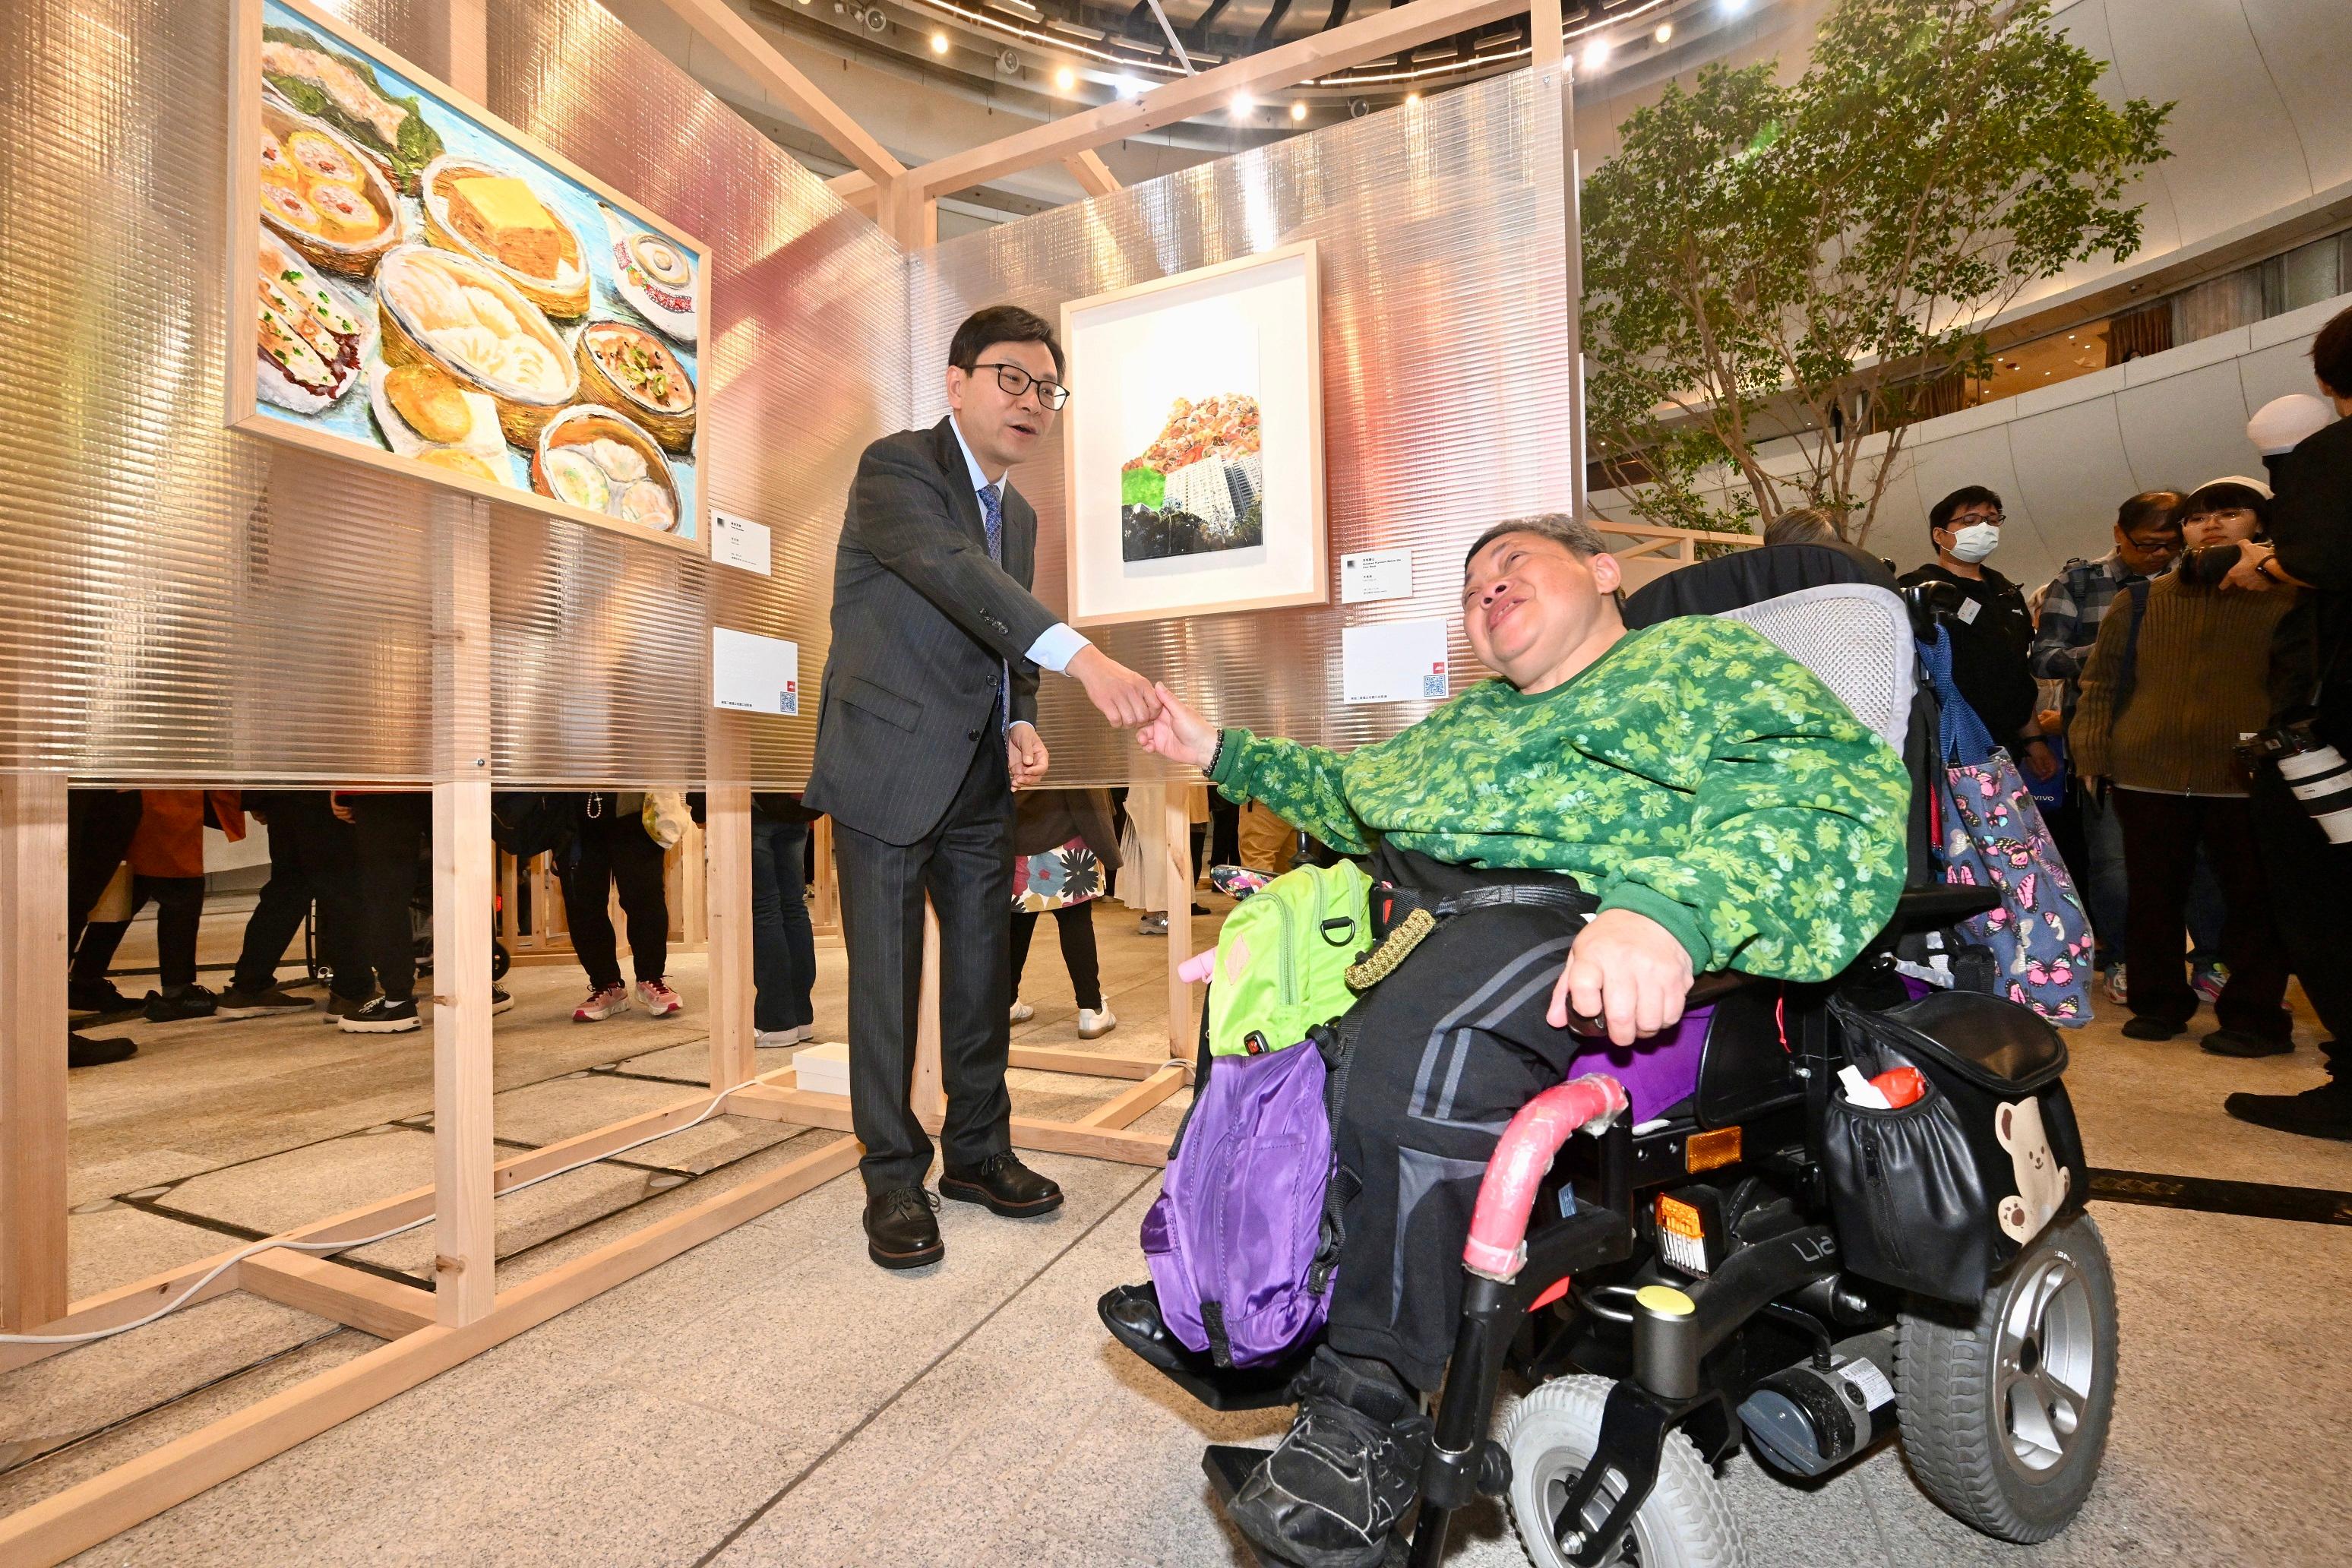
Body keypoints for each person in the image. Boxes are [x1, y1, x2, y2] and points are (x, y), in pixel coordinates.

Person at [1133, 513, 1910, 1568]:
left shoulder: (1696, 661)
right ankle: (1242, 1283)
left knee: (1427, 1044)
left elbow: (1817, 789)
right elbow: (1351, 795)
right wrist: (1211, 748)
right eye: (1469, 588)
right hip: (1425, 919)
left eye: (1513, 565)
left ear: (1602, 572)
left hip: (1583, 914)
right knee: (1266, 1019)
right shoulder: (1470, 720)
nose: (1486, 590)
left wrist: (1665, 911)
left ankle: (1372, 1413)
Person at [803, 304, 1160, 1270]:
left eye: (1048, 388)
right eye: (1012, 378)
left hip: (978, 774)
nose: (1032, 402)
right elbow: (958, 577)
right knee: (886, 982)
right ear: (956, 382)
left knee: (982, 977)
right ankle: (890, 1177)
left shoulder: (1024, 514)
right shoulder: (898, 468)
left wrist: (1023, 715)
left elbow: (1004, 638)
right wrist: (1088, 659)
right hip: (885, 761)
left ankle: (977, 1152)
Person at [2070, 479, 2296, 1055]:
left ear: (2261, 525)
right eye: (2197, 517)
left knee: (2252, 901)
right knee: (2152, 897)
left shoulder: (2288, 597)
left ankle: (2252, 1016)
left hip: (2245, 774)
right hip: (2147, 770)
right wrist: (2092, 751)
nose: (2210, 524)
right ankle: (2158, 1002)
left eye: (2228, 513)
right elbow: (2099, 681)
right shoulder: (2142, 599)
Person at [2216, 305, 2352, 1137]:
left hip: (2334, 725)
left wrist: (2267, 560)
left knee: (2323, 894)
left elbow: (2319, 557)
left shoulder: (2338, 455)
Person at [2030, 492, 2186, 995]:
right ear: (2120, 533)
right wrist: (2119, 648)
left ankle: (2209, 960)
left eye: (2171, 545)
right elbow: (2044, 657)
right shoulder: (2080, 581)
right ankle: (2121, 959)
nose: (2161, 555)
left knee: (2200, 862)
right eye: (2148, 544)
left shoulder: (2195, 579)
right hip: (2108, 742)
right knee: (2114, 861)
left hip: (2187, 741)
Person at [1899, 485, 2053, 777]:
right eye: (1969, 521)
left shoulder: (2005, 590)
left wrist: (2034, 740)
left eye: (1992, 520)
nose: (1983, 527)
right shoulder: (1920, 589)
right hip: (1948, 743)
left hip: (2005, 744)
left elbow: (2016, 671)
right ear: (1940, 535)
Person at [69, 790, 244, 1023]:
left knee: (130, 891)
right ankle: (178, 991)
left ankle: (86, 980)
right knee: (180, 890)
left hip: (132, 799)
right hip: (166, 798)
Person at [217, 790, 359, 1019]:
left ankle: (250, 986)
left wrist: (258, 798)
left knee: (286, 889)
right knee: (340, 889)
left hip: (281, 793)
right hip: (322, 793)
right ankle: (353, 992)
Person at [557, 792, 681, 1023]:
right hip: (574, 810)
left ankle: (651, 978)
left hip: (633, 805)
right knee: (583, 903)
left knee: (645, 896)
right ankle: (606, 985)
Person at [1007, 787, 1121, 1038]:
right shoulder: (1067, 745)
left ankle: (1007, 1001)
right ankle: (1091, 1008)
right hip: (1066, 831)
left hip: (1018, 834)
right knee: (1076, 922)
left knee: (1017, 923)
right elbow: (1086, 786)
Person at [751, 792, 820, 1047]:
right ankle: (800, 1017)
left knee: (765, 908)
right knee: (793, 907)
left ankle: (775, 1021)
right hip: (794, 805)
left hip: (754, 804)